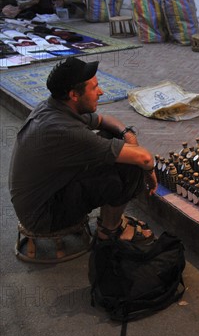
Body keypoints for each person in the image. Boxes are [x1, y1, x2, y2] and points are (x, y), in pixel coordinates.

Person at [9, 57, 156, 243]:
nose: (101, 92)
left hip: (41, 200)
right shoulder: (64, 130)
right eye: (94, 88)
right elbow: (144, 158)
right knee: (131, 167)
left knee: (112, 139)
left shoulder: (53, 108)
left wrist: (127, 134)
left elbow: (103, 120)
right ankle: (109, 230)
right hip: (43, 217)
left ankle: (111, 220)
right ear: (74, 95)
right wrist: (149, 171)